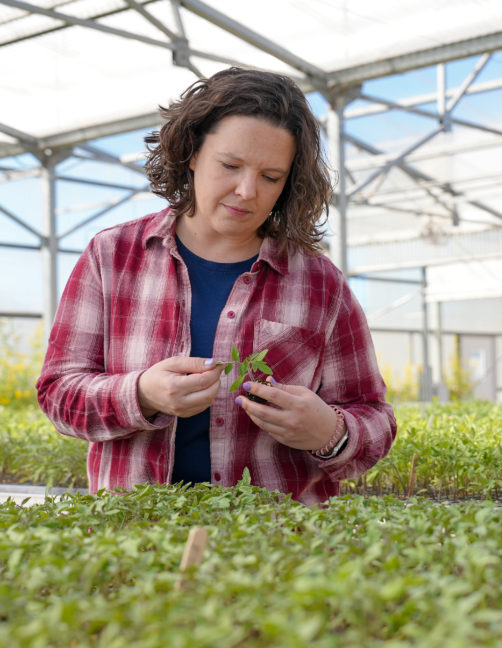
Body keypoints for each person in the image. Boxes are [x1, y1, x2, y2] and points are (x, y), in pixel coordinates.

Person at [36, 67, 396, 506]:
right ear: (191, 152)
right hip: (134, 538)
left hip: (278, 545)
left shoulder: (320, 282)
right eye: (230, 165)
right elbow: (58, 393)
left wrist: (330, 431)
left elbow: (373, 417)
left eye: (270, 176)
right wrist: (142, 394)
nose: (247, 191)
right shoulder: (111, 256)